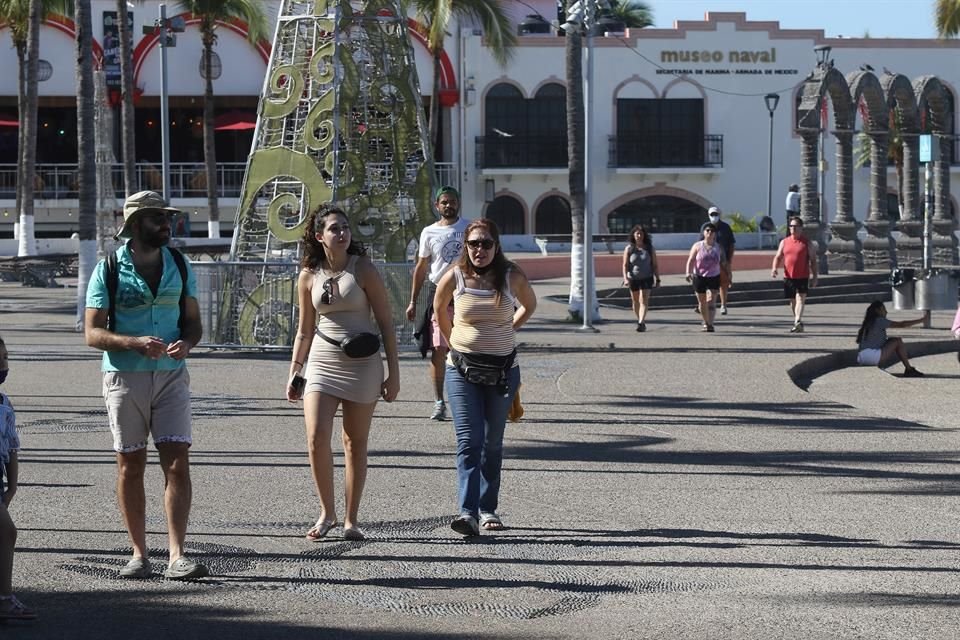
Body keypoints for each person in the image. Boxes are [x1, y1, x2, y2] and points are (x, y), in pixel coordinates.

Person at [85, 190, 208, 580]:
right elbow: (91, 333)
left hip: (171, 375)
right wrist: (133, 342)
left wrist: (187, 343)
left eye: (166, 216)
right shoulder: (108, 268)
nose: (166, 224)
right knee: (130, 464)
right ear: (136, 225)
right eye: (157, 218)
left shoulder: (179, 264)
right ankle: (139, 553)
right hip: (124, 376)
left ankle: (177, 555)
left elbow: (193, 323)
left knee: (177, 462)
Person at [287, 205, 400, 542]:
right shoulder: (308, 274)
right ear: (320, 236)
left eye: (346, 228)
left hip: (363, 364)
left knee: (354, 442)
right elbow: (304, 330)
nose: (342, 233)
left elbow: (386, 323)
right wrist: (295, 371)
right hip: (322, 361)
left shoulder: (363, 268)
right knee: (316, 437)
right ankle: (327, 512)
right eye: (335, 228)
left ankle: (351, 519)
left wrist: (393, 374)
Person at [434, 219, 536, 536]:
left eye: (486, 243)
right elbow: (439, 309)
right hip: (461, 370)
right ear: (466, 245)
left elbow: (530, 306)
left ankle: (488, 507)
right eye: (474, 243)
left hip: (503, 372)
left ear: (497, 245)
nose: (480, 249)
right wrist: (455, 342)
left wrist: (508, 329)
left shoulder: (511, 276)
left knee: (492, 443)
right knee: (469, 441)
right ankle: (468, 513)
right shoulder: (454, 276)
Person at [406, 186, 469, 421]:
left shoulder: (469, 228)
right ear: (437, 206)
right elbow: (422, 268)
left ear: (458, 203)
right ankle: (439, 402)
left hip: (465, 293)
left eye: (452, 201)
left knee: (466, 348)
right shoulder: (429, 233)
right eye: (444, 202)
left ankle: (467, 400)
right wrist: (413, 301)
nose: (448, 205)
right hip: (438, 296)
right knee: (439, 350)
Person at [0, 337, 36, 621]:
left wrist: (12, 486)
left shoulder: (4, 403)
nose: (3, 364)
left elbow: (12, 447)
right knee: (6, 532)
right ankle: (4, 599)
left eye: (5, 357)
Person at [771, 216, 818, 333]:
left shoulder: (807, 243)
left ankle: (797, 320)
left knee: (800, 299)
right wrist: (774, 268)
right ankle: (797, 321)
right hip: (788, 276)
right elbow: (778, 256)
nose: (793, 228)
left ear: (801, 228)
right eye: (791, 226)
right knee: (792, 301)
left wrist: (815, 277)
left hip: (802, 276)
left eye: (795, 226)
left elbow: (813, 261)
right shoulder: (784, 242)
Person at [855, 300, 925, 377]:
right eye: (884, 309)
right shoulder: (879, 320)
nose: (886, 312)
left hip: (861, 357)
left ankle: (883, 366)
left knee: (890, 340)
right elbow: (902, 324)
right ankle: (909, 369)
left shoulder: (868, 322)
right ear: (877, 311)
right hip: (872, 356)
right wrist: (921, 320)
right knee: (897, 340)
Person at [685, 223, 727, 332]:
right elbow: (691, 260)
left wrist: (728, 275)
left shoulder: (718, 247)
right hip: (699, 276)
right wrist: (688, 272)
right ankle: (705, 322)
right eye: (707, 230)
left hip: (714, 276)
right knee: (702, 301)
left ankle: (710, 323)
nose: (709, 232)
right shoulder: (697, 246)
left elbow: (723, 262)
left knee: (712, 301)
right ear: (704, 233)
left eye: (712, 231)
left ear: (715, 234)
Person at [621, 224, 660, 332]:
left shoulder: (649, 248)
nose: (639, 235)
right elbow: (625, 265)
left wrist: (658, 279)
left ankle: (641, 322)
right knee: (635, 301)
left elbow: (655, 265)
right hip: (633, 278)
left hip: (647, 277)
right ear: (633, 235)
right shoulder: (629, 249)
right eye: (637, 233)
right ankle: (639, 319)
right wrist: (625, 278)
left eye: (641, 233)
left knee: (644, 299)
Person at [700, 207, 735, 315]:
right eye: (712, 214)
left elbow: (731, 244)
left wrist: (729, 260)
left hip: (722, 260)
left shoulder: (725, 227)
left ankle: (723, 305)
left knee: (724, 283)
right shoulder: (705, 227)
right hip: (708, 260)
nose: (714, 216)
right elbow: (700, 243)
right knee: (707, 283)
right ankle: (704, 304)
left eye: (716, 214)